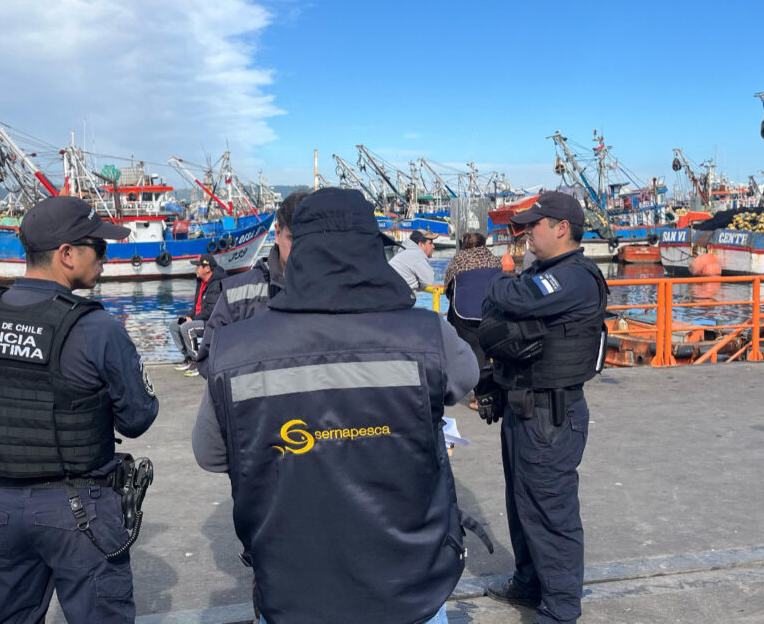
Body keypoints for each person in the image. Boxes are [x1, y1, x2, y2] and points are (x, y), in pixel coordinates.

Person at [192, 188, 480, 624]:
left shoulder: (235, 348)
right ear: (372, 252)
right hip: (408, 584)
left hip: (293, 584)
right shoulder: (425, 333)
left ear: (297, 251)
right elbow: (465, 376)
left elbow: (210, 454)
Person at [0, 196, 159, 624]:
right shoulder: (96, 327)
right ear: (67, 254)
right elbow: (137, 418)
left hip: (0, 508)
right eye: (98, 247)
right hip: (79, 509)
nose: (105, 257)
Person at [477, 191, 608, 624]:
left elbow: (510, 300)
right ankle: (529, 582)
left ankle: (561, 609)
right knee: (522, 503)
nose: (527, 232)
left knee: (550, 511)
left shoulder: (575, 277)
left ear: (561, 228)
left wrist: (500, 283)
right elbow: (498, 307)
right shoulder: (542, 273)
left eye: (534, 224)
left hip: (552, 414)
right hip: (523, 406)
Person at [193, 190, 312, 378]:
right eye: (294, 238)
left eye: (309, 239)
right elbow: (208, 359)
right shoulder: (236, 294)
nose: (301, 249)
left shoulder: (333, 290)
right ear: (277, 232)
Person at [443, 232, 502, 410]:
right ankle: (491, 391)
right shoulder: (494, 260)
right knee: (490, 350)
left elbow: (448, 286)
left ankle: (479, 395)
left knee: (473, 351)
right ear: (483, 244)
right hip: (492, 311)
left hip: (466, 312)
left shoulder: (459, 259)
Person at [169, 253, 226, 375]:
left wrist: (193, 319)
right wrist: (189, 316)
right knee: (174, 325)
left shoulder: (216, 285)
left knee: (187, 327)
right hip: (200, 318)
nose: (196, 269)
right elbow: (197, 306)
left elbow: (211, 311)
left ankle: (198, 363)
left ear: (207, 268)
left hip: (212, 322)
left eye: (198, 266)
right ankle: (189, 358)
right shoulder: (201, 282)